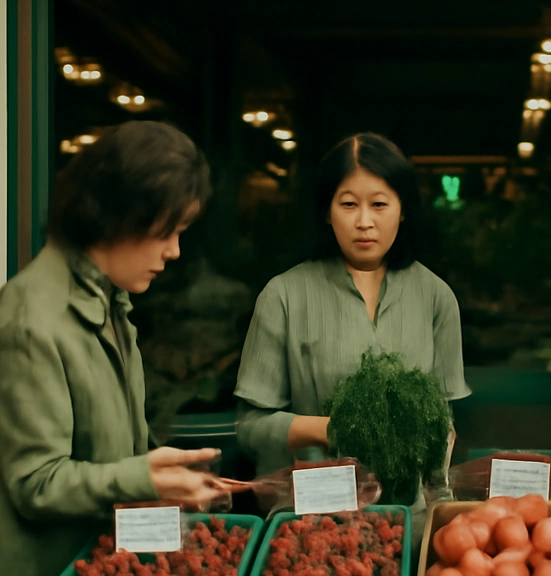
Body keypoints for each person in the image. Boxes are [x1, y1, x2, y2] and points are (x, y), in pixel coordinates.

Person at [0, 120, 227, 576]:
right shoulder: (31, 318)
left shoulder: (110, 298)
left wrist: (163, 473)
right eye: (167, 231)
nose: (175, 251)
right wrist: (144, 476)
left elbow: (114, 453)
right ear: (117, 214)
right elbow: (35, 482)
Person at [233, 132, 470, 505]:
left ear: (403, 209)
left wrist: (441, 516)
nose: (364, 221)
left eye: (379, 204)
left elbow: (443, 421)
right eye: (348, 204)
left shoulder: (436, 297)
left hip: (412, 515)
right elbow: (250, 428)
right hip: (315, 519)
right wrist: (336, 430)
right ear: (327, 211)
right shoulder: (283, 296)